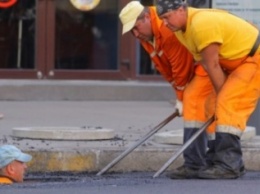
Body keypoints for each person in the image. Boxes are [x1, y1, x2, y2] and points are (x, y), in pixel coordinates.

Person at [156, 0, 260, 179]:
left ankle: (230, 164)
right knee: (204, 101)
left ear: (181, 9)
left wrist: (222, 94)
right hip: (231, 62)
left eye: (167, 17)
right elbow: (206, 63)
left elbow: (212, 64)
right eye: (162, 19)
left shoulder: (201, 25)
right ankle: (206, 162)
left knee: (227, 103)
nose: (165, 23)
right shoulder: (181, 29)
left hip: (252, 60)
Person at [119, 1, 212, 179]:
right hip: (196, 67)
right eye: (132, 31)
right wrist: (179, 96)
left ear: (146, 17)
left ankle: (196, 164)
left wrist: (181, 97)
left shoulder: (166, 28)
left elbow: (181, 67)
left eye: (137, 28)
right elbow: (166, 70)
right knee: (198, 108)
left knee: (193, 104)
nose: (136, 34)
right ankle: (207, 162)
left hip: (205, 64)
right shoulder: (147, 35)